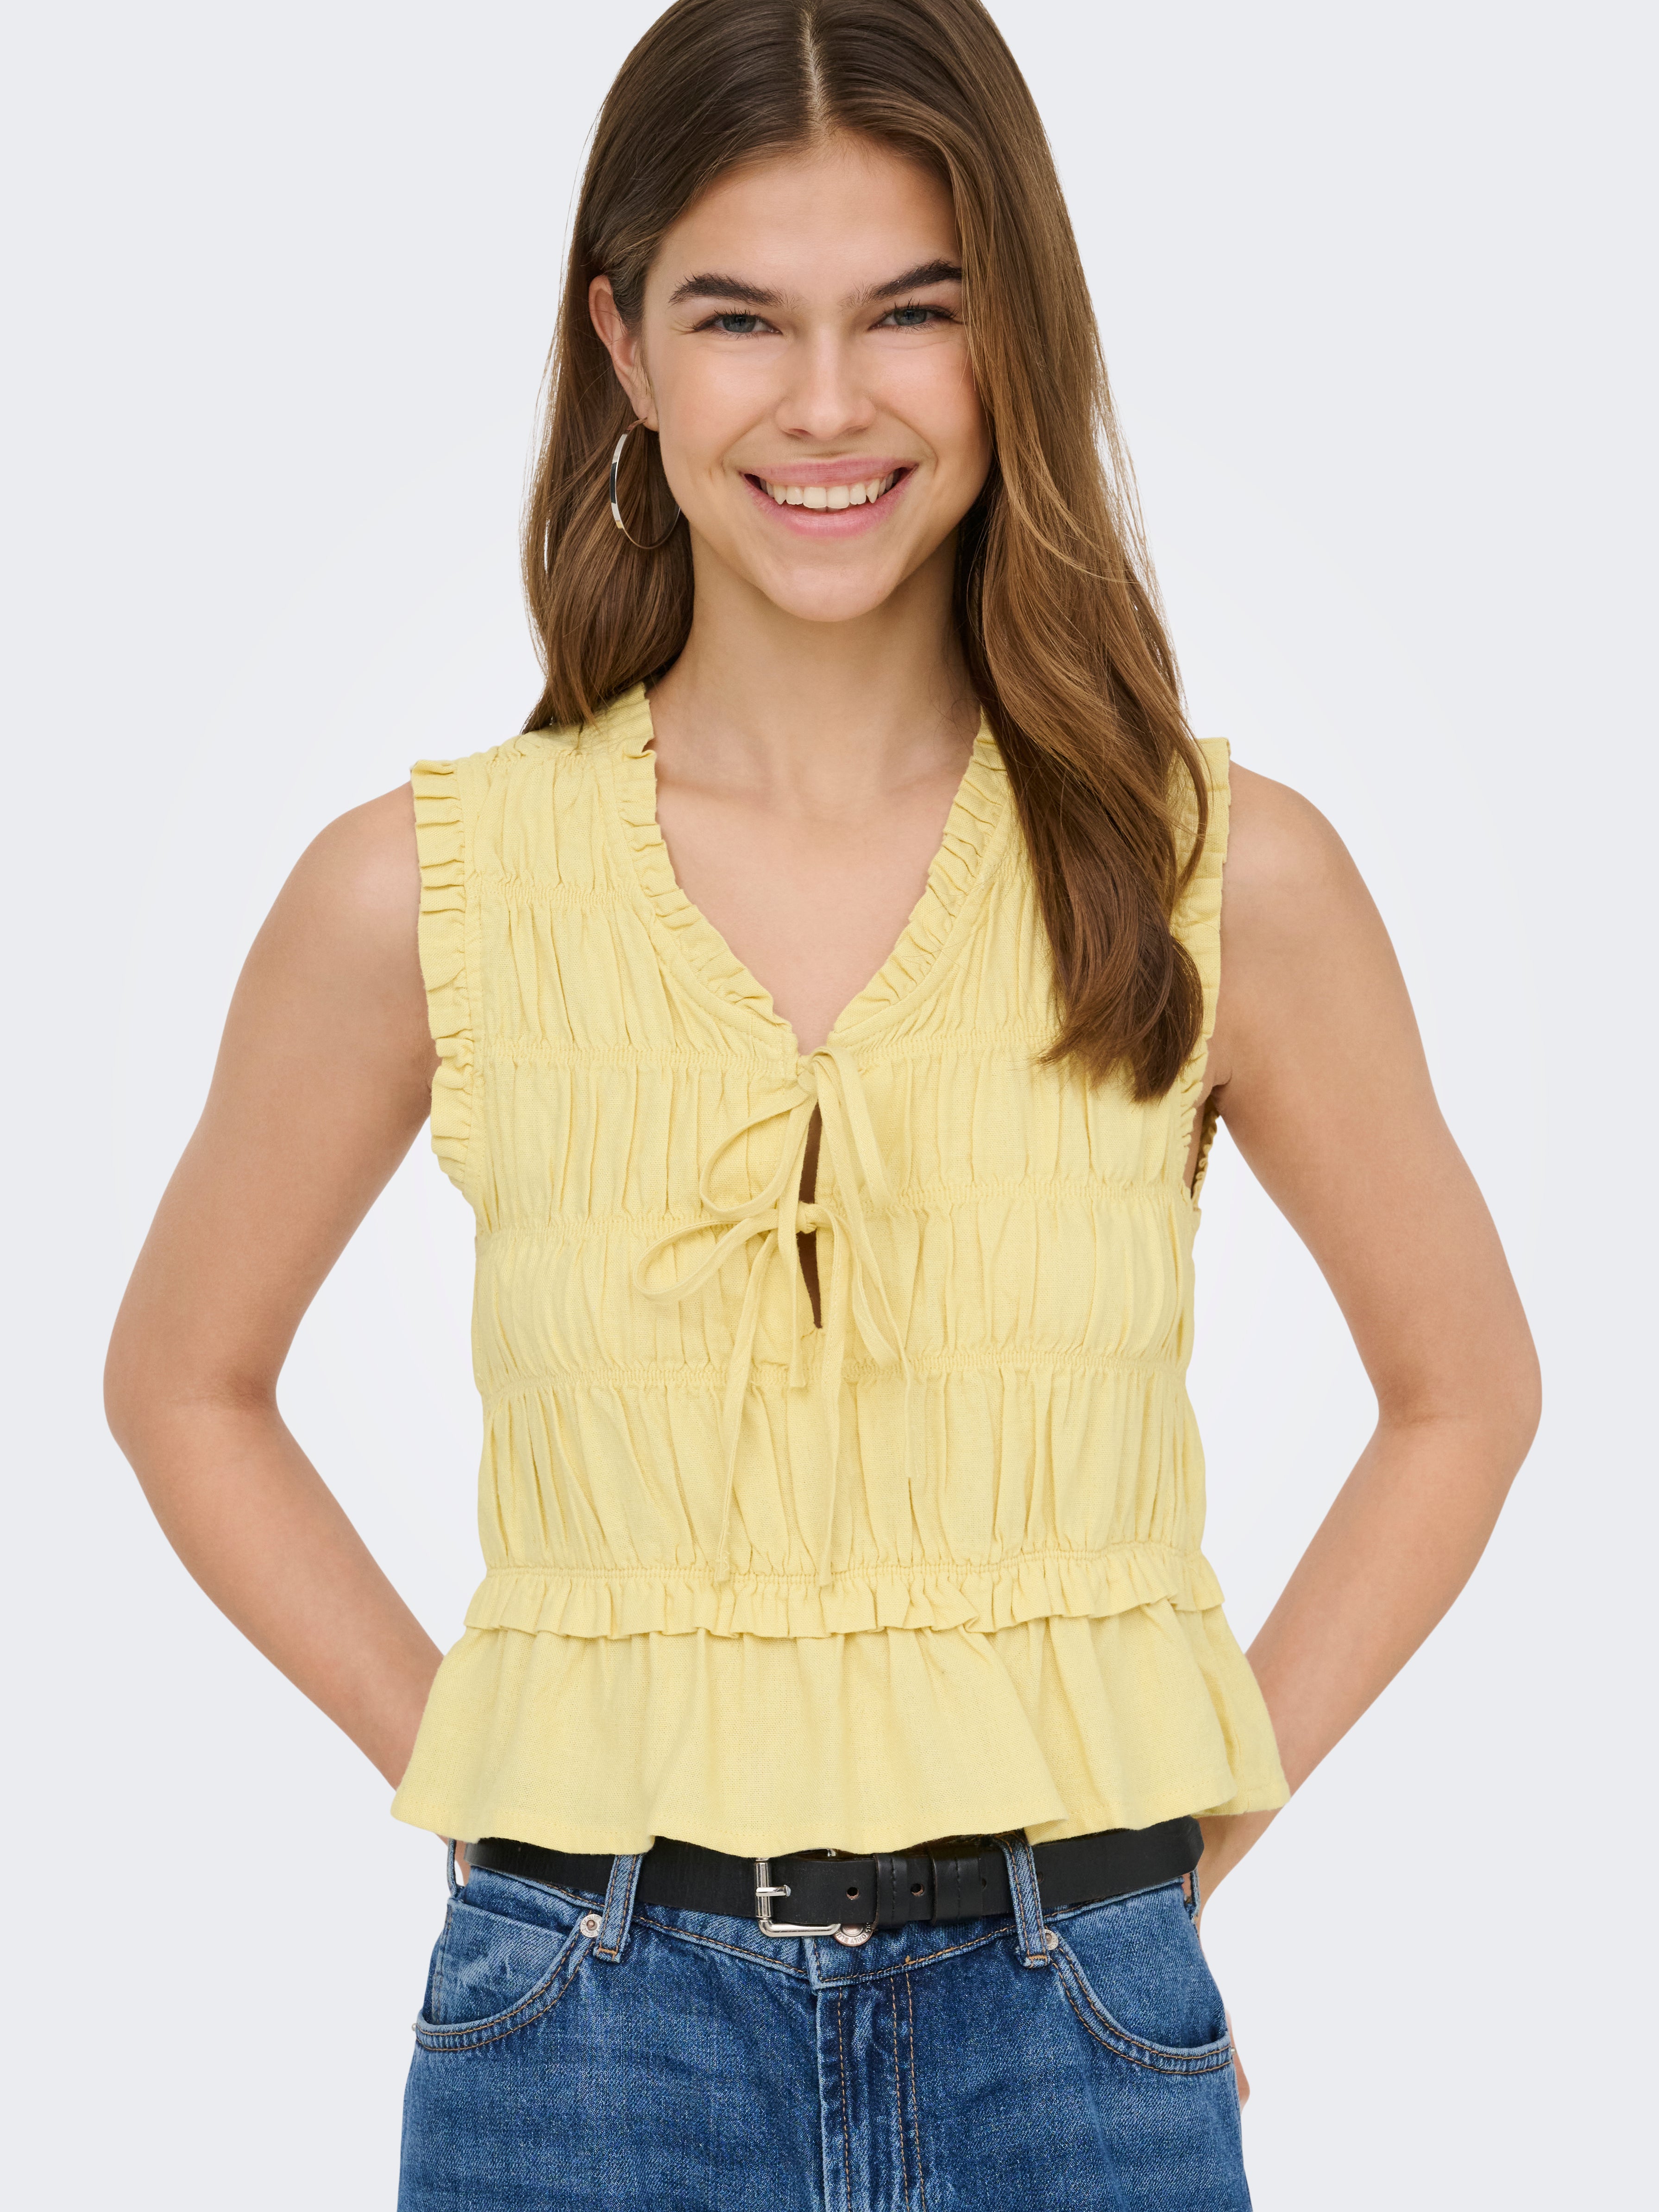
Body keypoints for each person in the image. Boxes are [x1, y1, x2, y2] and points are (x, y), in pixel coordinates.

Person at [105, 1, 1540, 2204]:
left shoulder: (1218, 873)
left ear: (1011, 335)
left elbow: (1462, 1396)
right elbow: (181, 1385)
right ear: (620, 343)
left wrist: (1159, 1884)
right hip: (578, 2035)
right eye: (738, 318)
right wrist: (494, 1798)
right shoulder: (418, 891)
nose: (826, 403)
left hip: (1070, 2029)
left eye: (909, 312)